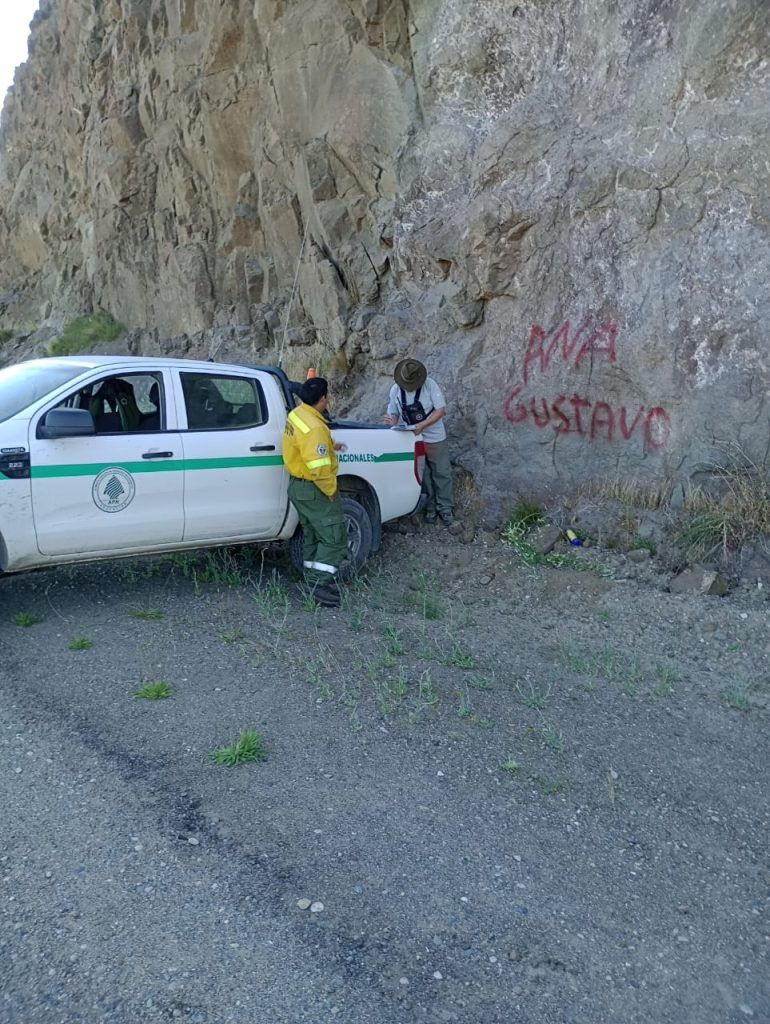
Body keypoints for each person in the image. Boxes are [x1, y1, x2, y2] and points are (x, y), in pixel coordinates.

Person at [282, 377, 348, 608]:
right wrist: (330, 491)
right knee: (333, 537)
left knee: (312, 534)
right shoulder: (316, 428)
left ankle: (311, 579)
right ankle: (319, 585)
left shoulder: (297, 414)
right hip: (314, 489)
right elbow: (319, 469)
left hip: (297, 487)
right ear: (322, 399)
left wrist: (331, 445)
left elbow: (306, 445)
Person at [384, 358, 454, 526]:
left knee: (442, 473)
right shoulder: (395, 390)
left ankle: (445, 508)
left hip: (435, 436)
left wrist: (423, 425)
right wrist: (392, 421)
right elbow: (393, 413)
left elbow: (440, 410)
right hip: (413, 439)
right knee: (424, 475)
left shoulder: (430, 385)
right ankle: (429, 508)